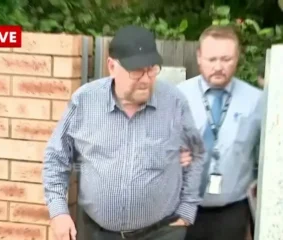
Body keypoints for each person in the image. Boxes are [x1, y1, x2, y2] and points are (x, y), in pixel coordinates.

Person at [42, 25, 205, 240]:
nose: (146, 79)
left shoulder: (174, 102)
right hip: (99, 234)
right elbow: (56, 157)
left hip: (162, 233)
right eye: (137, 71)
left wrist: (187, 211)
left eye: (152, 69)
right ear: (111, 66)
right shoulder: (85, 101)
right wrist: (59, 211)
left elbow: (196, 154)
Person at [177, 25, 263, 240]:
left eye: (226, 59)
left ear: (237, 58)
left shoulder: (257, 101)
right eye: (211, 59)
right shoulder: (177, 96)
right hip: (182, 209)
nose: (218, 66)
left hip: (232, 212)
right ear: (199, 57)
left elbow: (264, 157)